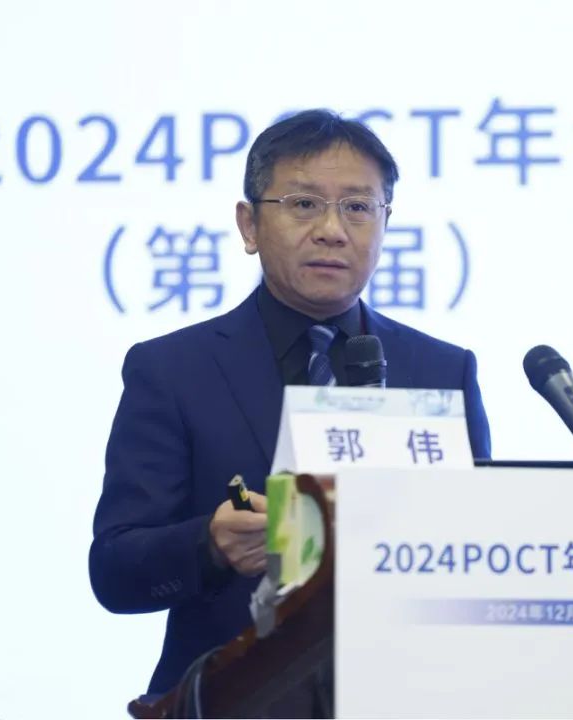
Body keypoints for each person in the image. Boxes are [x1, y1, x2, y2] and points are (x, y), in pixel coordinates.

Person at [88, 109, 492, 708]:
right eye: (304, 204)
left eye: (358, 207)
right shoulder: (172, 370)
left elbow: (476, 547)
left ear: (385, 223)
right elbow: (115, 569)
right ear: (249, 224)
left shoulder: (442, 369)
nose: (333, 230)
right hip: (229, 703)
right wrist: (210, 545)